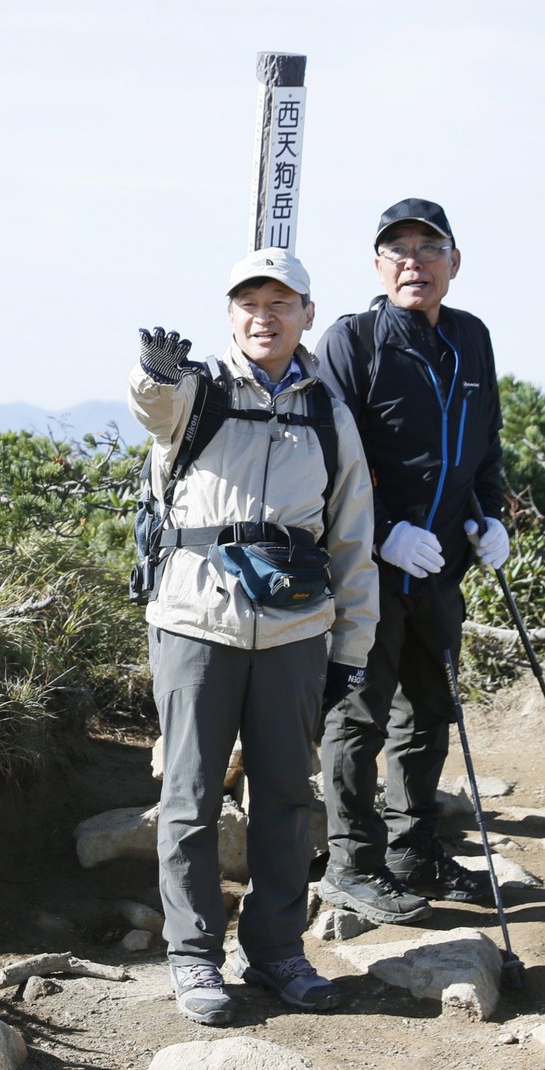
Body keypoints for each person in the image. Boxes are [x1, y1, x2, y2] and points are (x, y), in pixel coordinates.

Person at [127, 248, 379, 1025]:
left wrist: (352, 652)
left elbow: (352, 542)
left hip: (297, 633)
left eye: (280, 303)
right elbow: (151, 407)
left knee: (283, 799)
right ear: (230, 315)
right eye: (248, 303)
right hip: (195, 625)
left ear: (308, 313)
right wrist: (154, 375)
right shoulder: (196, 395)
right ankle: (195, 957)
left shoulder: (328, 414)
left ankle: (276, 952)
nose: (263, 316)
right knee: (190, 798)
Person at [314, 198, 509, 925]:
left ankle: (412, 849)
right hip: (368, 566)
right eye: (396, 250)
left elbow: (483, 442)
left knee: (429, 708)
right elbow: (331, 454)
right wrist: (385, 529)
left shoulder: (470, 339)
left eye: (429, 249)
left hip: (442, 568)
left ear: (453, 264)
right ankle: (351, 863)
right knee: (360, 714)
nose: (412, 262)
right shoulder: (354, 341)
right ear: (377, 266)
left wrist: (489, 515)